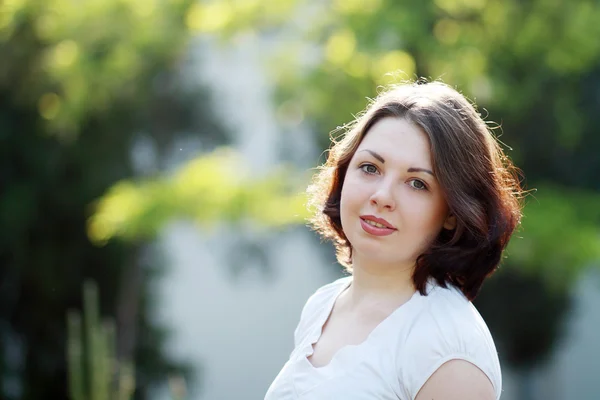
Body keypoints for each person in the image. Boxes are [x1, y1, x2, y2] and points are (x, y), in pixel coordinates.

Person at [265, 80, 523, 400]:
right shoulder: (324, 305)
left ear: (453, 212)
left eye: (416, 183)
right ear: (345, 173)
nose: (382, 196)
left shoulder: (449, 351)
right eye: (370, 167)